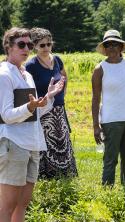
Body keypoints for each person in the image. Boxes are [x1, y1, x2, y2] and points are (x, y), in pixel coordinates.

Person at [0, 27, 64, 222]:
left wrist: (49, 97)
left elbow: (35, 113)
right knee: (7, 206)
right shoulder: (4, 75)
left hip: (32, 144)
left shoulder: (26, 74)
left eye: (29, 44)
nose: (26, 48)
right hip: (13, 144)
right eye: (21, 44)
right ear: (8, 46)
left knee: (22, 205)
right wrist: (29, 106)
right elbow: (6, 116)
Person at [92, 29, 125, 186]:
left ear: (121, 47)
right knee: (111, 159)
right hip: (111, 120)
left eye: (115, 44)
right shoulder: (99, 69)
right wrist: (96, 125)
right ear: (104, 48)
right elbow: (95, 99)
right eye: (108, 45)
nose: (112, 48)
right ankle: (108, 192)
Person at [25, 27, 77, 179]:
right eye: (42, 45)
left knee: (63, 142)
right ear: (34, 46)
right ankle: (47, 180)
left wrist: (62, 96)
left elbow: (64, 77)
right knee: (46, 145)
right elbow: (28, 90)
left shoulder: (57, 60)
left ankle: (66, 176)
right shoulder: (31, 65)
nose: (46, 48)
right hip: (43, 110)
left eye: (49, 44)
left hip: (59, 109)